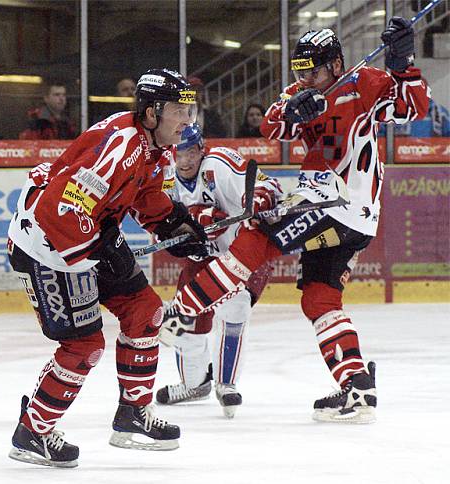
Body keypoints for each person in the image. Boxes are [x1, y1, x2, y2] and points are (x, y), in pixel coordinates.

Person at [172, 22, 430, 424]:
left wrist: (403, 63)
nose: (303, 78)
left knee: (257, 235)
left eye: (312, 71)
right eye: (299, 71)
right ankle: (356, 387)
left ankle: (187, 306)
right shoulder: (301, 91)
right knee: (319, 299)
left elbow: (414, 108)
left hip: (335, 201)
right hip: (343, 216)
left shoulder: (364, 83)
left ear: (337, 64)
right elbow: (270, 126)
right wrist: (292, 108)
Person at [7, 68, 207, 468]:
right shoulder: (119, 145)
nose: (188, 120)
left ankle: (132, 414)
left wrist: (176, 224)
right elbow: (61, 211)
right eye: (178, 111)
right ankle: (33, 432)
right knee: (85, 345)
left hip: (89, 235)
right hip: (47, 247)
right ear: (151, 113)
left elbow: (147, 196)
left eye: (190, 110)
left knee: (145, 312)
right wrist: (99, 248)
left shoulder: (154, 147)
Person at [153, 124, 280, 418]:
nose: (184, 161)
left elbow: (268, 186)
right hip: (203, 258)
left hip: (242, 254)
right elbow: (157, 225)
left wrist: (258, 201)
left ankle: (227, 383)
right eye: (178, 153)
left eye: (190, 152)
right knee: (181, 318)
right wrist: (182, 236)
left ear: (201, 149)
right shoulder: (163, 176)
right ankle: (195, 384)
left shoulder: (220, 163)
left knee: (234, 307)